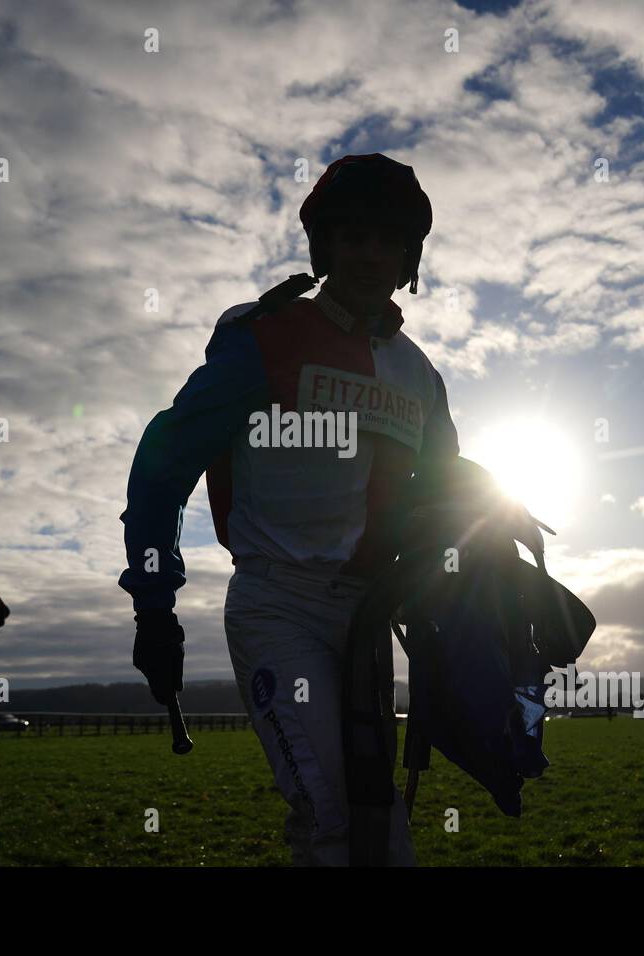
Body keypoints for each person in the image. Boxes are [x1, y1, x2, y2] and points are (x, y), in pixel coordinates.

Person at [120, 153, 459, 866]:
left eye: (387, 240)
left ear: (409, 258)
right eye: (353, 236)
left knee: (382, 822)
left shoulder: (422, 374)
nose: (369, 254)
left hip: (370, 615)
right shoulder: (263, 340)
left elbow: (443, 496)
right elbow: (161, 468)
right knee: (328, 812)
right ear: (324, 246)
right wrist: (154, 605)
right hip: (279, 605)